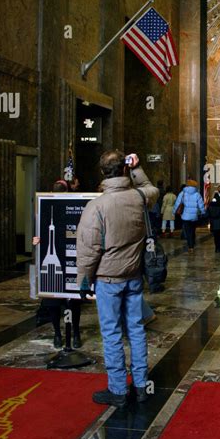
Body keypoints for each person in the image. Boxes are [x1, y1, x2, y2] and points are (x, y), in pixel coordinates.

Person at [76, 151, 158, 407]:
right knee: (136, 329)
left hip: (108, 279)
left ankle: (119, 390)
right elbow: (150, 187)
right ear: (124, 169)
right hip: (134, 275)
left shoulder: (97, 206)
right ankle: (142, 385)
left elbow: (89, 250)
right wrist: (137, 168)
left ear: (102, 173)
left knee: (111, 333)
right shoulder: (138, 197)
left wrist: (84, 282)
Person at [33, 179, 82, 348]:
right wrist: (36, 241)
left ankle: (75, 333)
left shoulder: (76, 208)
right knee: (53, 303)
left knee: (73, 302)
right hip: (52, 263)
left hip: (70, 262)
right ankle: (58, 334)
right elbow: (38, 232)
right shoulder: (44, 208)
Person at [172, 178, 205, 253]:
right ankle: (192, 244)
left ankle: (190, 246)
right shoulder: (197, 194)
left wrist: (174, 211)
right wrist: (203, 212)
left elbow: (177, 203)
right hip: (194, 217)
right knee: (192, 231)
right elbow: (201, 205)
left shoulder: (183, 193)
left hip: (185, 216)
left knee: (188, 231)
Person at [208, 185, 220, 253]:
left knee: (216, 236)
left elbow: (208, 213)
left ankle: (217, 247)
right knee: (219, 235)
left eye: (219, 188)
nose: (218, 189)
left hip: (214, 222)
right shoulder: (216, 195)